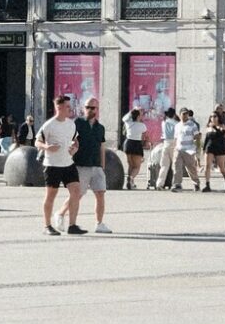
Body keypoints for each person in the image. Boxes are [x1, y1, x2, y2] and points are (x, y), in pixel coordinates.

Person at [54, 97, 112, 234]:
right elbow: (68, 141)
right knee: (77, 195)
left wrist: (102, 166)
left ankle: (99, 223)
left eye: (93, 108)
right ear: (83, 108)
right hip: (81, 165)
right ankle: (60, 213)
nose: (90, 110)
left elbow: (101, 147)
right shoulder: (77, 124)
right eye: (87, 107)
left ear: (97, 110)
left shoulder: (100, 128)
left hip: (96, 166)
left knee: (100, 194)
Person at [36, 96, 85, 235]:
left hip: (68, 163)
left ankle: (72, 225)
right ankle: (47, 226)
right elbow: (37, 142)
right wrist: (47, 147)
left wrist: (75, 148)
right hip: (52, 165)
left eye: (70, 106)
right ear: (59, 108)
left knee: (76, 191)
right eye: (68, 106)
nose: (70, 109)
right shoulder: (49, 125)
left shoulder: (71, 124)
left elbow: (75, 141)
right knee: (51, 195)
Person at [170, 109, 201, 192]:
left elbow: (197, 137)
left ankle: (196, 183)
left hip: (189, 149)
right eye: (183, 114)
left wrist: (197, 148)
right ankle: (177, 184)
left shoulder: (192, 125)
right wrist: (174, 147)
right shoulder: (177, 126)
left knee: (191, 168)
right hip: (179, 149)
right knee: (177, 166)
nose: (185, 116)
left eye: (186, 114)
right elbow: (176, 138)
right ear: (180, 115)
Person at [202, 112, 225, 192]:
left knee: (221, 167)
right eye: (211, 116)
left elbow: (223, 134)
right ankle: (207, 184)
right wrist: (204, 149)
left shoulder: (222, 126)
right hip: (209, 147)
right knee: (207, 166)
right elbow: (206, 139)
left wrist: (215, 127)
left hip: (219, 148)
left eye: (215, 116)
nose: (213, 118)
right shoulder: (208, 127)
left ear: (218, 117)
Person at [121, 108, 147, 189]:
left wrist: (132, 110)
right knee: (137, 167)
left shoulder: (128, 123)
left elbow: (123, 118)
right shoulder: (142, 126)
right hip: (136, 144)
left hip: (127, 144)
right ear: (138, 116)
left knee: (131, 165)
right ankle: (131, 178)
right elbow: (144, 136)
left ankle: (131, 183)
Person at [155, 107, 179, 189]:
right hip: (174, 143)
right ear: (174, 114)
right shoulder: (176, 123)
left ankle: (159, 184)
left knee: (164, 165)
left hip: (166, 143)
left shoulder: (163, 122)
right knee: (175, 165)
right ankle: (175, 183)